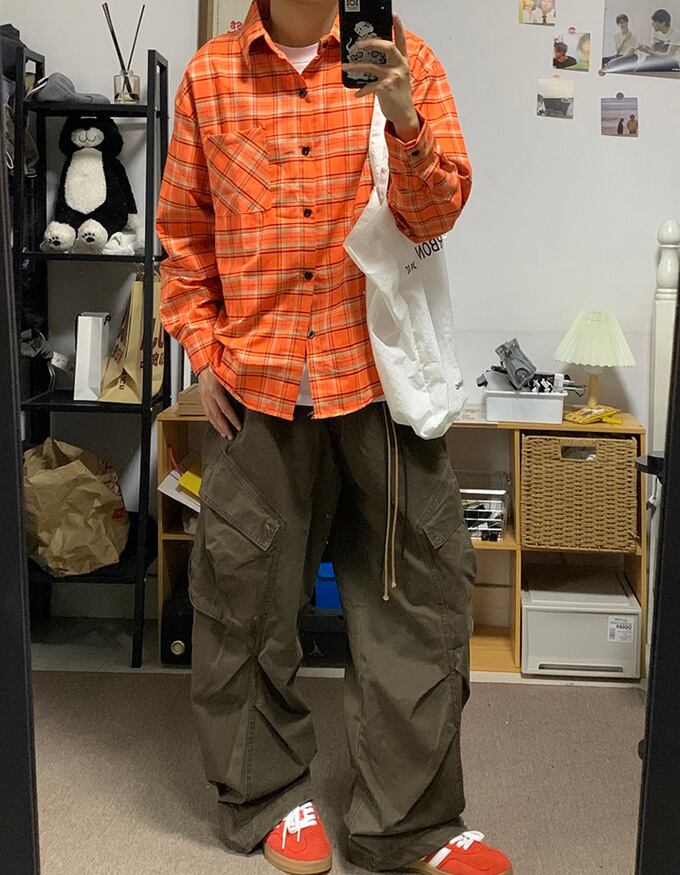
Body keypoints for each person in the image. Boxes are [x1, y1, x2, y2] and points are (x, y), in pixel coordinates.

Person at [156, 2, 513, 875]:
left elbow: (435, 215)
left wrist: (402, 115)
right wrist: (204, 350)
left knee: (418, 599)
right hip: (260, 391)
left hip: (382, 386)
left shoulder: (406, 57)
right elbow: (182, 238)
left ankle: (409, 824)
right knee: (244, 603)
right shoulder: (210, 77)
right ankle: (268, 798)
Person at [635, 8, 680, 73]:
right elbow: (653, 51)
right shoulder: (654, 31)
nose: (652, 24)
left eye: (654, 22)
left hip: (670, 62)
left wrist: (649, 51)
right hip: (656, 59)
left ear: (663, 23)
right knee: (639, 70)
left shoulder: (676, 33)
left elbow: (668, 55)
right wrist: (645, 48)